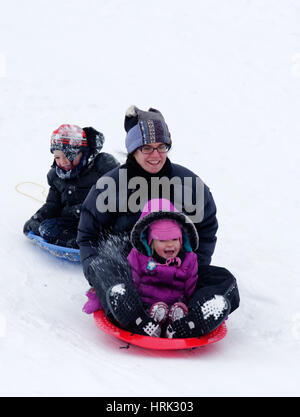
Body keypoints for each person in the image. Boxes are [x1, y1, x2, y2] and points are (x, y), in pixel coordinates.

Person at [77, 106, 239, 338]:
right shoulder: (110, 185)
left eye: (162, 147)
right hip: (129, 272)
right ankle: (129, 308)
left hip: (178, 273)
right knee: (104, 270)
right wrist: (96, 273)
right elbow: (88, 235)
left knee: (224, 279)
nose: (156, 155)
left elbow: (206, 228)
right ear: (133, 150)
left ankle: (193, 320)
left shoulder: (188, 183)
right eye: (147, 148)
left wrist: (194, 266)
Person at [23, 124, 119, 248]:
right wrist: (37, 219)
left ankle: (100, 243)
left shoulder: (102, 165)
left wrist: (83, 210)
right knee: (47, 228)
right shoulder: (55, 176)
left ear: (82, 152)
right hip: (75, 224)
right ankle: (81, 243)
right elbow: (53, 205)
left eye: (69, 155)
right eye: (58, 157)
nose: (63, 161)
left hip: (103, 221)